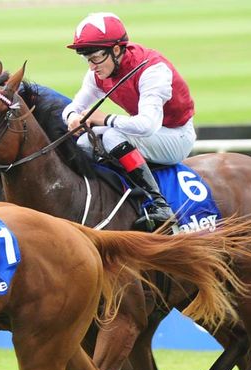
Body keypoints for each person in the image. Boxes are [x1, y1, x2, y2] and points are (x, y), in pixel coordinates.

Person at [61, 12, 195, 229]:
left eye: (95, 58)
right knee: (85, 142)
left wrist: (105, 118)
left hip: (176, 136)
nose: (92, 66)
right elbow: (72, 107)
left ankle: (160, 206)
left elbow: (147, 125)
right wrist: (73, 118)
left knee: (113, 135)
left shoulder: (152, 70)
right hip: (147, 134)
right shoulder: (99, 71)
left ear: (116, 50)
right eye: (87, 59)